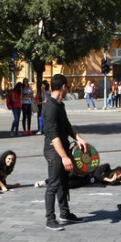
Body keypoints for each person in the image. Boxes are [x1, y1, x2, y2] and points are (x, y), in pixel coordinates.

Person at [42, 74, 88, 231]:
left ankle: (65, 213)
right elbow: (53, 136)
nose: (68, 89)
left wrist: (78, 138)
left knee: (63, 183)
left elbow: (67, 126)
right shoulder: (50, 108)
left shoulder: (59, 105)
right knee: (54, 184)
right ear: (63, 87)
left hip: (62, 149)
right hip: (53, 151)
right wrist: (64, 157)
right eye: (67, 87)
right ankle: (50, 219)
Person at [36, 163, 121, 189]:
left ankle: (55, 184)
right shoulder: (106, 167)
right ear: (115, 170)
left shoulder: (111, 179)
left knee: (70, 184)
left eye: (120, 177)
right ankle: (46, 181)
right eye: (118, 175)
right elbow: (97, 175)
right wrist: (109, 180)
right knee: (68, 175)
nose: (117, 177)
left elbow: (113, 183)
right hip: (85, 173)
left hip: (86, 180)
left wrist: (120, 181)